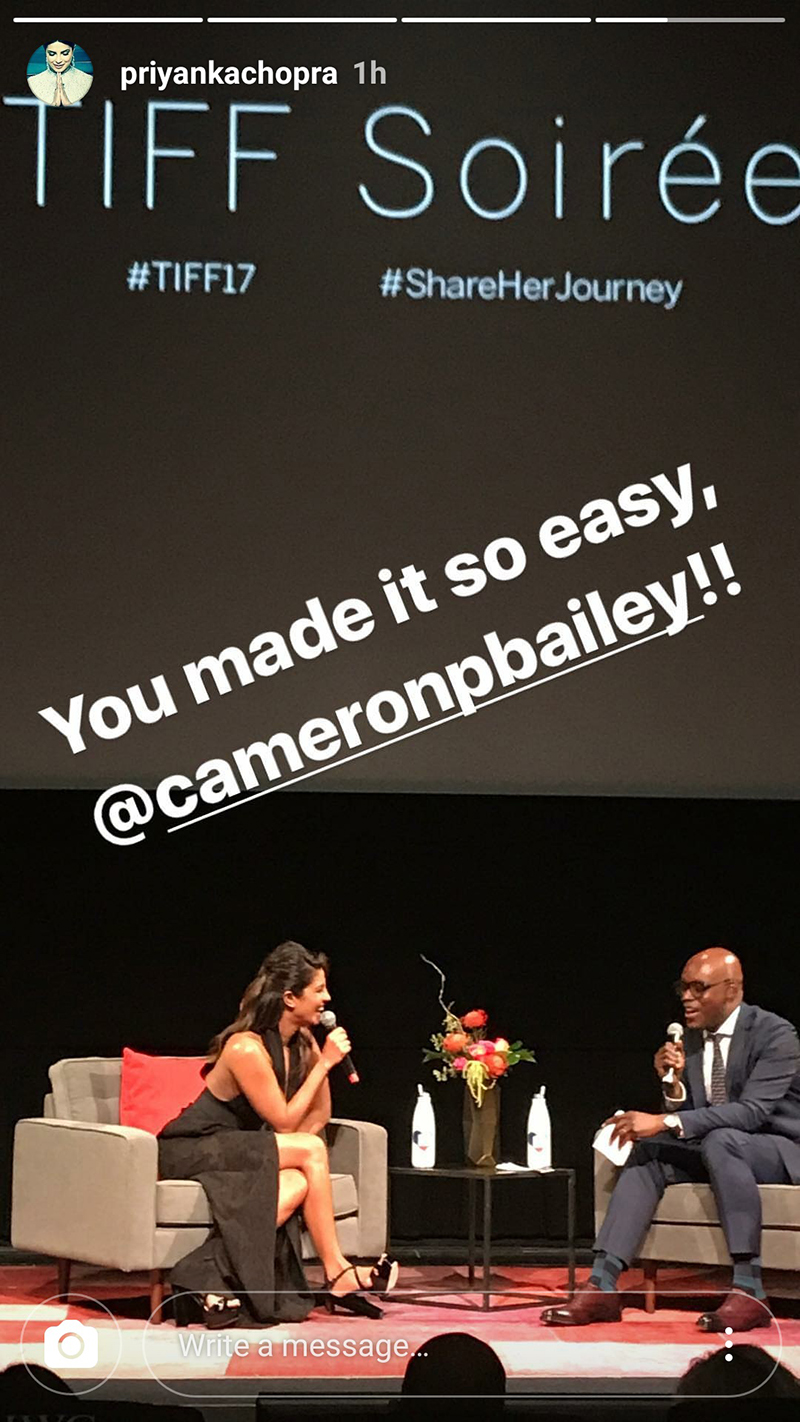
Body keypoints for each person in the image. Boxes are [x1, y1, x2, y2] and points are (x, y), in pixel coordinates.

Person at [542, 947, 800, 1333]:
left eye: (699, 988)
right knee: (649, 1153)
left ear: (732, 990)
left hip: (777, 1147)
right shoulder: (693, 1040)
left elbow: (751, 1113)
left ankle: (749, 1288)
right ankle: (603, 1284)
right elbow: (699, 1114)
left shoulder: (776, 1034)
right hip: (722, 1146)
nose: (687, 998)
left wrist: (664, 1119)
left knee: (720, 1140)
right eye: (683, 987)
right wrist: (674, 1088)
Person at [158, 940, 397, 1327]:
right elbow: (287, 1124)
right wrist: (325, 1065)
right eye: (318, 989)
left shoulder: (296, 1044)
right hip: (196, 1147)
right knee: (310, 1151)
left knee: (300, 1180)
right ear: (289, 997)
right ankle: (337, 1270)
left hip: (241, 1148)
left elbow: (318, 1117)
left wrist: (319, 1058)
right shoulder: (246, 1048)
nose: (328, 997)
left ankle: (198, 1271)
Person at [27, 41, 93, 106]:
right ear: (46, 53)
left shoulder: (88, 80)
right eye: (52, 54)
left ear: (72, 51)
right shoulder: (32, 82)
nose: (58, 60)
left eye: (65, 53)